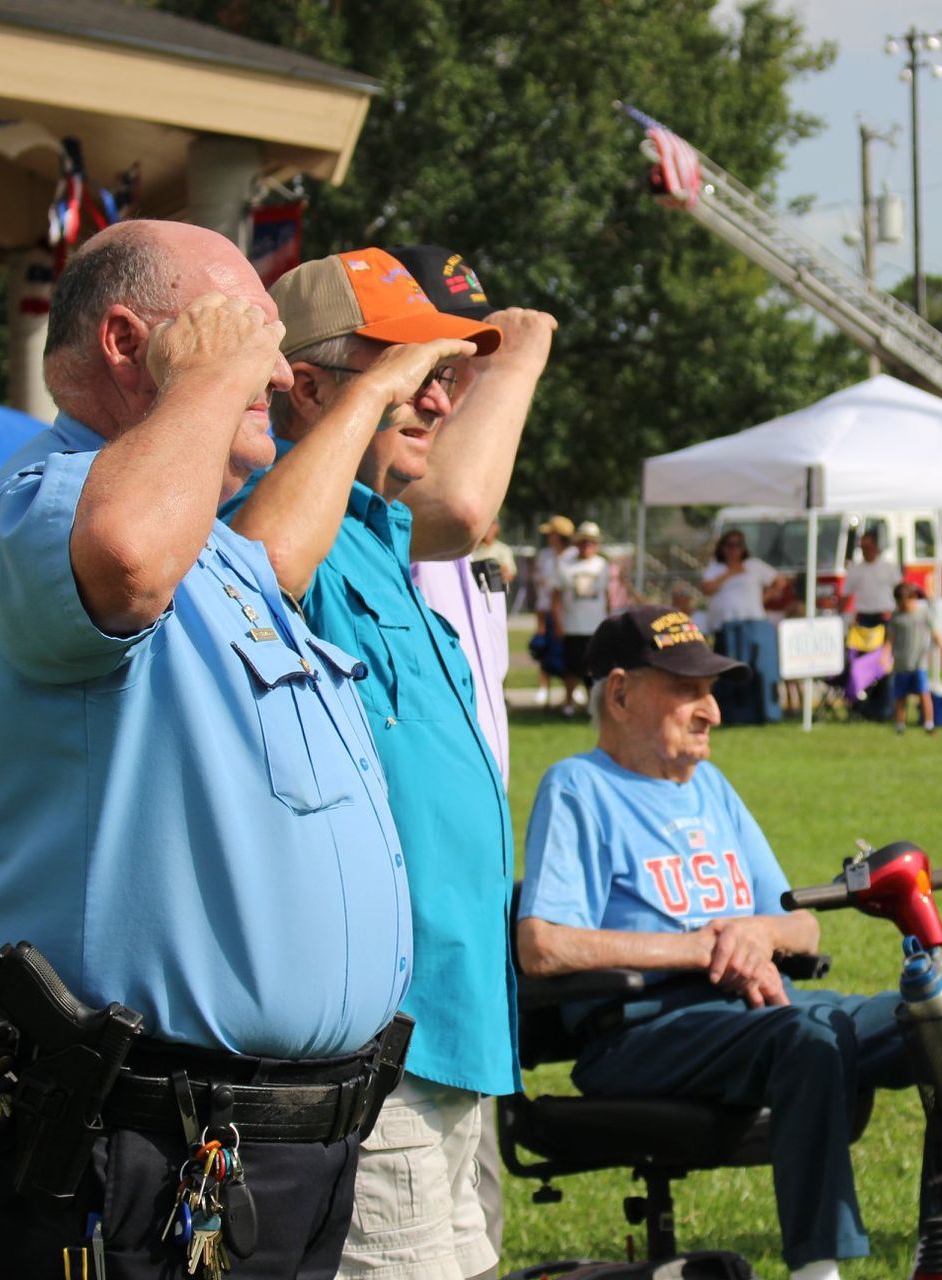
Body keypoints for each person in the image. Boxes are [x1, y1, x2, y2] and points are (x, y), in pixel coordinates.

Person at [0, 221, 414, 1279]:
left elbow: (267, 554)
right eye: (242, 332)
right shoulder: (46, 503)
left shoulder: (215, 548)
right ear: (131, 342)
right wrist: (204, 384)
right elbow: (131, 556)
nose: (275, 367)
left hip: (257, 1151)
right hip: (124, 1148)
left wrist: (367, 392)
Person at [516, 605, 942, 1280]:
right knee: (805, 1041)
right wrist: (703, 948)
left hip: (755, 1013)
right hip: (644, 1031)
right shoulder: (579, 788)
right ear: (620, 691)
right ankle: (820, 1270)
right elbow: (542, 945)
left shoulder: (711, 789)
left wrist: (755, 931)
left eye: (712, 692)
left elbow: (801, 925)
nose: (712, 712)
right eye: (688, 690)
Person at [227, 245, 557, 1280]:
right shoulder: (288, 531)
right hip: (382, 1046)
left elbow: (458, 500)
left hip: (460, 1032)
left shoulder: (383, 541)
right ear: (313, 385)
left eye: (444, 374)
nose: (436, 395)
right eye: (407, 370)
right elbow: (263, 567)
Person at [391, 243, 544, 1265]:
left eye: (466, 371)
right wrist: (517, 353)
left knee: (469, 1239)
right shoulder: (387, 509)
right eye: (435, 368)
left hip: (464, 956)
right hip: (392, 978)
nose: (451, 397)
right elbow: (454, 510)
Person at [553, 522, 612, 715]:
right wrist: (558, 622)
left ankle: (591, 704)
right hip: (573, 625)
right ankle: (568, 703)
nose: (587, 546)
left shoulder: (602, 565)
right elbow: (556, 596)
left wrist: (608, 620)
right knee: (571, 668)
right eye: (584, 541)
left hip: (595, 625)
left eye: (591, 542)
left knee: (594, 668)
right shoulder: (564, 565)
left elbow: (608, 595)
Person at [889, 581, 942, 735]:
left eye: (905, 602)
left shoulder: (923, 613)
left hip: (919, 663)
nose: (903, 606)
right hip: (901, 663)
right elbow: (890, 638)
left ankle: (929, 724)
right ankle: (900, 726)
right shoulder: (896, 616)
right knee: (900, 696)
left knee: (923, 694)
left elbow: (936, 634)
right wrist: (885, 655)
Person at [700, 528, 782, 630]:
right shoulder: (715, 567)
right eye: (730, 545)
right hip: (723, 625)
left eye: (738, 544)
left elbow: (779, 582)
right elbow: (706, 589)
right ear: (722, 547)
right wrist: (730, 573)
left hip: (751, 621)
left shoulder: (754, 564)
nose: (734, 549)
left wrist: (762, 599)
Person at [534, 515, 575, 703]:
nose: (548, 537)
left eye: (551, 534)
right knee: (544, 651)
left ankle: (572, 692)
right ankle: (543, 689)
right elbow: (540, 586)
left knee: (569, 654)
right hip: (547, 611)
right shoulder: (545, 556)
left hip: (569, 613)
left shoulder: (574, 555)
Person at [843, 530, 901, 625]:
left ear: (876, 547)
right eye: (863, 548)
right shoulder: (854, 569)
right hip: (863, 617)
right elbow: (846, 594)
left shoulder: (889, 567)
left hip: (885, 615)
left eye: (868, 547)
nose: (866, 551)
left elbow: (899, 590)